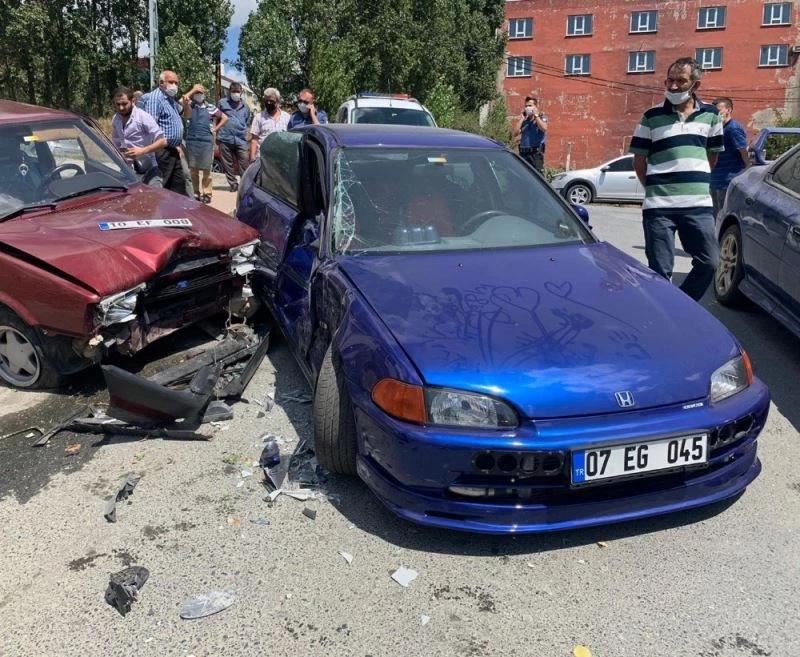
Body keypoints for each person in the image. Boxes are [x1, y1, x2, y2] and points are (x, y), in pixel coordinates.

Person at [629, 56, 724, 302]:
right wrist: (654, 188)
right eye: (669, 80)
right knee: (659, 272)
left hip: (698, 206)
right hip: (659, 208)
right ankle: (665, 315)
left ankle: (681, 305)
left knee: (710, 262)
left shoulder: (711, 116)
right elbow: (639, 161)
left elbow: (711, 157)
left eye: (680, 81)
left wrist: (694, 181)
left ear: (695, 84)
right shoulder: (651, 116)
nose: (673, 86)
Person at [138, 70, 190, 196]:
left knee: (178, 185)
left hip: (173, 150)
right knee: (163, 186)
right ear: (161, 82)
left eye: (176, 83)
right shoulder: (156, 98)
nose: (174, 86)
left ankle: (176, 206)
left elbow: (187, 115)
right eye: (171, 82)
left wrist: (186, 104)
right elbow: (150, 127)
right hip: (161, 150)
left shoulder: (171, 100)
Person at [111, 86, 166, 187]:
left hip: (148, 170)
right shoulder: (116, 119)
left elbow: (162, 141)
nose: (121, 108)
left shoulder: (143, 117)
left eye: (124, 104)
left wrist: (142, 151)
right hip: (127, 170)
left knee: (154, 196)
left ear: (133, 101)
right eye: (118, 104)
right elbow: (116, 143)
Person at [181, 83, 228, 204]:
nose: (198, 95)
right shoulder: (189, 106)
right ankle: (195, 192)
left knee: (207, 170)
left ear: (204, 94)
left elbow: (225, 118)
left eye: (200, 92)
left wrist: (215, 129)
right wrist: (193, 90)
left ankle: (207, 193)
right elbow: (182, 101)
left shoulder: (210, 107)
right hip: (192, 142)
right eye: (196, 93)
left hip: (206, 142)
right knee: (193, 170)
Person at [710, 96, 751, 218]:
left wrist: (748, 169)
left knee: (725, 215)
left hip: (727, 181)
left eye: (718, 110)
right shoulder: (718, 128)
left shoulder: (733, 129)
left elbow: (743, 151)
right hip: (715, 180)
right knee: (715, 214)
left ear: (728, 110)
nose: (715, 114)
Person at [216, 82, 251, 192]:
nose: (236, 93)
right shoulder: (222, 103)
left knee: (244, 163)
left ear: (241, 92)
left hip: (241, 139)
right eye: (233, 91)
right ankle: (233, 184)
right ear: (229, 92)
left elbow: (247, 121)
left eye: (238, 91)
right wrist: (217, 134)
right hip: (225, 138)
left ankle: (244, 185)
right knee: (227, 163)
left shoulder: (246, 107)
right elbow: (217, 118)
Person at [249, 87, 290, 162]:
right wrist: (252, 158)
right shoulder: (259, 117)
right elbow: (254, 139)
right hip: (263, 159)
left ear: (277, 101)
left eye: (271, 101)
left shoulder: (287, 117)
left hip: (281, 159)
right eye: (266, 101)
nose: (268, 103)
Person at [516, 96, 548, 173]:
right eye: (526, 106)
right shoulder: (525, 121)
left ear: (535, 107)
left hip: (535, 153)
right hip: (523, 153)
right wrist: (521, 119)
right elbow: (515, 133)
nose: (527, 108)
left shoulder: (541, 117)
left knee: (536, 175)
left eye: (530, 106)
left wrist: (536, 116)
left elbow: (544, 128)